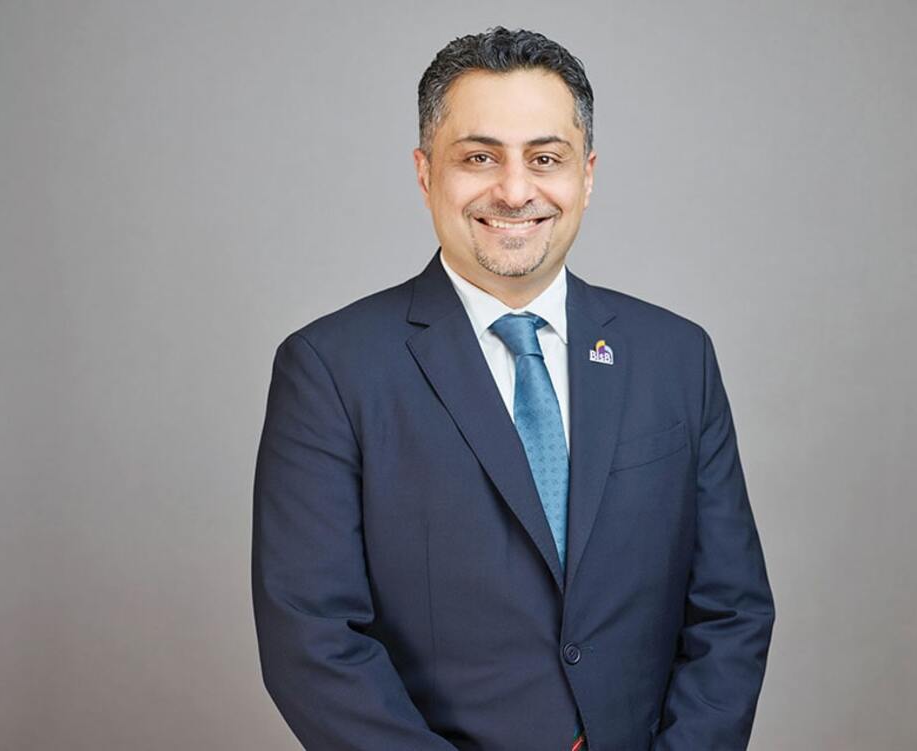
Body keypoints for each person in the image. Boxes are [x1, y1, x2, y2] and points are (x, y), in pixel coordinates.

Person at [252, 26, 774, 751]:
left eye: (545, 158)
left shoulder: (677, 358)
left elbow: (732, 612)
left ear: (586, 175)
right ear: (425, 172)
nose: (516, 189)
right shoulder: (330, 370)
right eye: (479, 157)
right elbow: (311, 640)